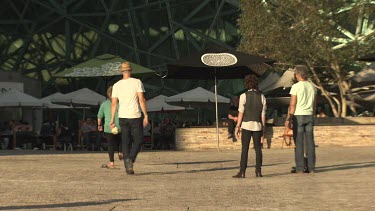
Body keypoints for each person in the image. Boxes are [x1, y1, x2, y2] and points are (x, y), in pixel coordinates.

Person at [110, 62, 148, 175]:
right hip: (135, 115)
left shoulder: (116, 85)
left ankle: (128, 167)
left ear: (122, 72)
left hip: (122, 116)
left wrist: (112, 119)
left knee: (126, 141)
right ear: (130, 71)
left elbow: (113, 104)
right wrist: (145, 114)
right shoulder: (137, 82)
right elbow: (141, 100)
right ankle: (130, 159)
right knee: (139, 140)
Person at [233, 74, 267, 178]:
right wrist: (264, 129)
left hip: (246, 125)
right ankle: (258, 171)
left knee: (245, 149)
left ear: (247, 84)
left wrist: (237, 127)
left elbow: (241, 113)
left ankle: (242, 171)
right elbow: (263, 115)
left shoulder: (243, 96)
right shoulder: (262, 96)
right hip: (257, 126)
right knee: (258, 149)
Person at [285, 65, 317, 174]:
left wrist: (289, 118)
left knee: (299, 142)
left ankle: (300, 167)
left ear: (298, 75)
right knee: (310, 142)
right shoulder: (312, 87)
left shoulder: (296, 87)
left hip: (298, 116)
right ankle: (311, 167)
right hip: (309, 115)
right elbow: (314, 104)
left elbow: (293, 104)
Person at [97, 86, 123, 169]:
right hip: (120, 127)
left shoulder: (104, 104)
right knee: (121, 141)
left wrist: (99, 125)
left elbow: (99, 116)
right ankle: (120, 152)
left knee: (110, 145)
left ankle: (111, 162)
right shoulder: (121, 103)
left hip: (109, 128)